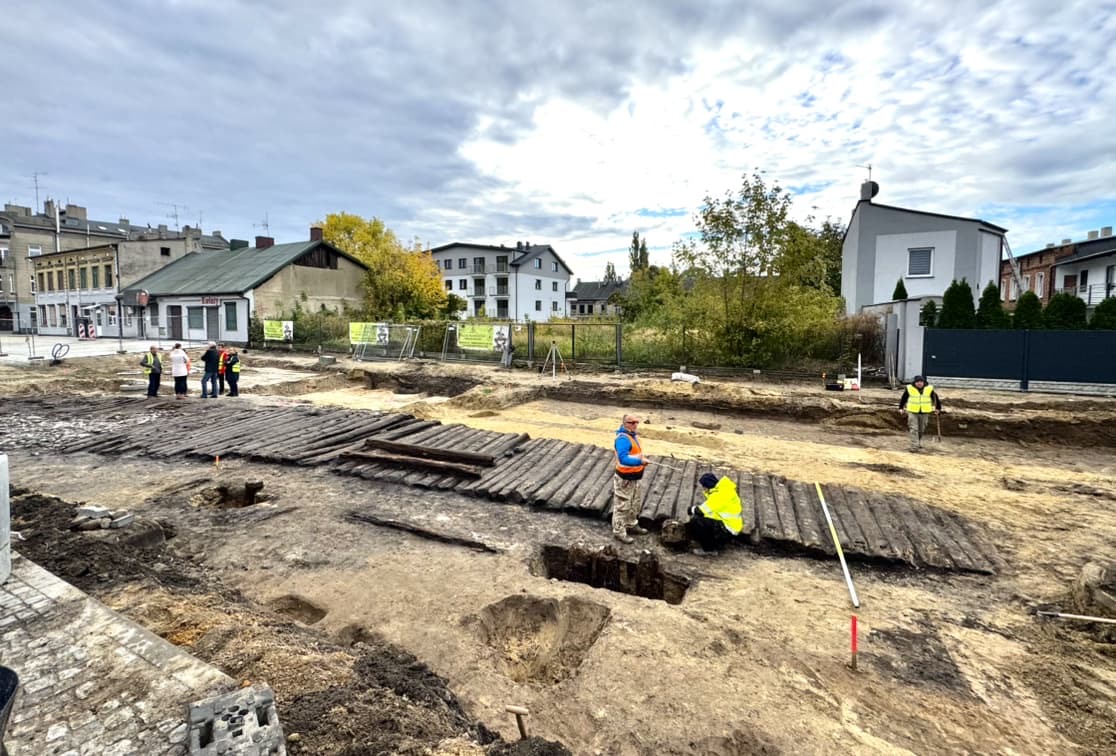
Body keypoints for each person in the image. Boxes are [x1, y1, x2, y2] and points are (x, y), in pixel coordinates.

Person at [612, 413, 650, 544]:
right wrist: (640, 462)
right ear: (624, 423)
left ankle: (631, 524)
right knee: (623, 506)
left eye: (636, 422)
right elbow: (623, 458)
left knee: (634, 503)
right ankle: (619, 531)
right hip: (625, 478)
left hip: (635, 477)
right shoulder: (622, 439)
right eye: (631, 422)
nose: (635, 425)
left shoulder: (632, 436)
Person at [688, 473, 744, 555]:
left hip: (727, 529)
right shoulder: (724, 490)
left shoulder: (719, 496)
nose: (703, 489)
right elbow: (713, 511)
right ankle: (714, 543)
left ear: (707, 486)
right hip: (730, 525)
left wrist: (691, 509)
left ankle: (709, 549)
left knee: (697, 521)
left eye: (704, 486)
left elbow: (700, 510)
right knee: (702, 520)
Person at [898, 374, 942, 452]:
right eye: (917, 382)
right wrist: (901, 408)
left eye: (921, 382)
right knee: (914, 429)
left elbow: (935, 398)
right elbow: (904, 398)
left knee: (921, 429)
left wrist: (938, 408)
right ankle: (914, 446)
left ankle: (917, 442)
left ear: (924, 382)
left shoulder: (929, 389)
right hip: (912, 411)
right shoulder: (909, 388)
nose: (919, 383)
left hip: (925, 412)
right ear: (914, 383)